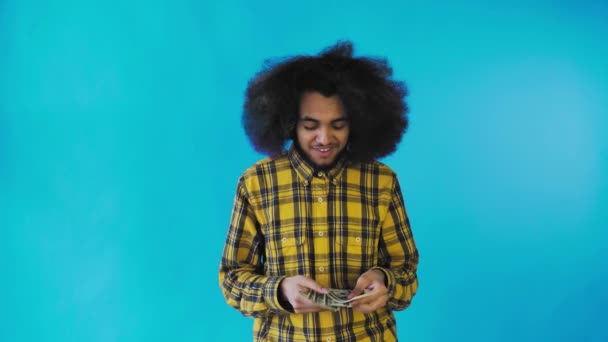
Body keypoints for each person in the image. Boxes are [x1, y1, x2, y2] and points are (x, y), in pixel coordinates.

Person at [219, 41, 419, 342]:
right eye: (311, 125)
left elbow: (405, 270)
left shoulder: (382, 182)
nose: (324, 138)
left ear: (357, 122)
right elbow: (232, 279)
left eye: (337, 125)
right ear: (289, 124)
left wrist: (385, 282)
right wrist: (281, 291)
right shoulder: (256, 183)